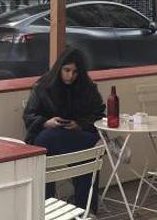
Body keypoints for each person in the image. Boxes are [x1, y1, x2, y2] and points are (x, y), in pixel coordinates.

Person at [23, 48, 106, 212]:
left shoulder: (87, 88)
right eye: (67, 70)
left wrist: (79, 124)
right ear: (59, 68)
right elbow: (29, 116)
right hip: (47, 141)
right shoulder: (43, 87)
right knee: (51, 136)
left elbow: (98, 115)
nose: (70, 76)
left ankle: (84, 211)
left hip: (76, 139)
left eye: (75, 72)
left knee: (88, 157)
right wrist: (47, 122)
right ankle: (106, 145)